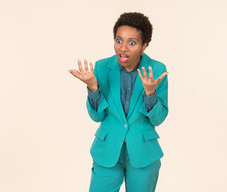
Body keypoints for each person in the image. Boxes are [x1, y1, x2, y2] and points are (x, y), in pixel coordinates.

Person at [68, 12, 169, 192]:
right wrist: (93, 87)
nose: (123, 48)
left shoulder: (157, 70)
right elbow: (96, 116)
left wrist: (150, 92)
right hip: (107, 150)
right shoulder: (101, 67)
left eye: (132, 42)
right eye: (118, 40)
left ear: (144, 45)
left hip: (143, 153)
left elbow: (158, 119)